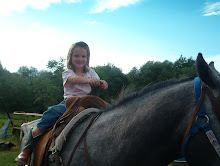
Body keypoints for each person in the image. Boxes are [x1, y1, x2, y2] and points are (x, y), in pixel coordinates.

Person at [15, 41, 108, 164]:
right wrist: (89, 81)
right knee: (50, 113)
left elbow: (102, 82)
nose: (80, 59)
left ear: (87, 58)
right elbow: (74, 79)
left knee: (109, 112)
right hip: (71, 102)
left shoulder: (91, 72)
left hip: (89, 102)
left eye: (83, 56)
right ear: (70, 57)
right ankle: (28, 147)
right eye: (76, 55)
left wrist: (103, 84)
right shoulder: (67, 73)